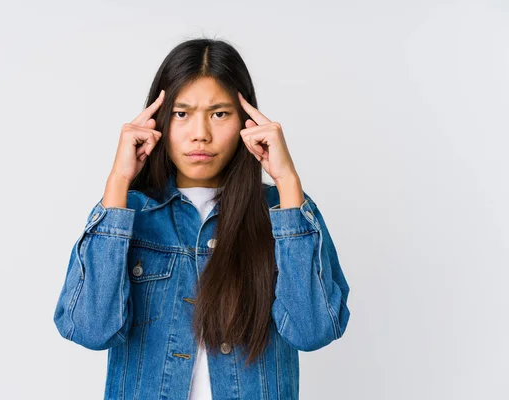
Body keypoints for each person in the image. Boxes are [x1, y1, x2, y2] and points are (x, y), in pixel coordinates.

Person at [53, 37, 351, 400]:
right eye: (182, 113)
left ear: (247, 121)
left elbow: (313, 330)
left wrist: (287, 181)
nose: (200, 133)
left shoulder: (285, 214)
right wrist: (118, 181)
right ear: (158, 120)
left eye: (219, 114)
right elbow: (89, 329)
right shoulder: (128, 215)